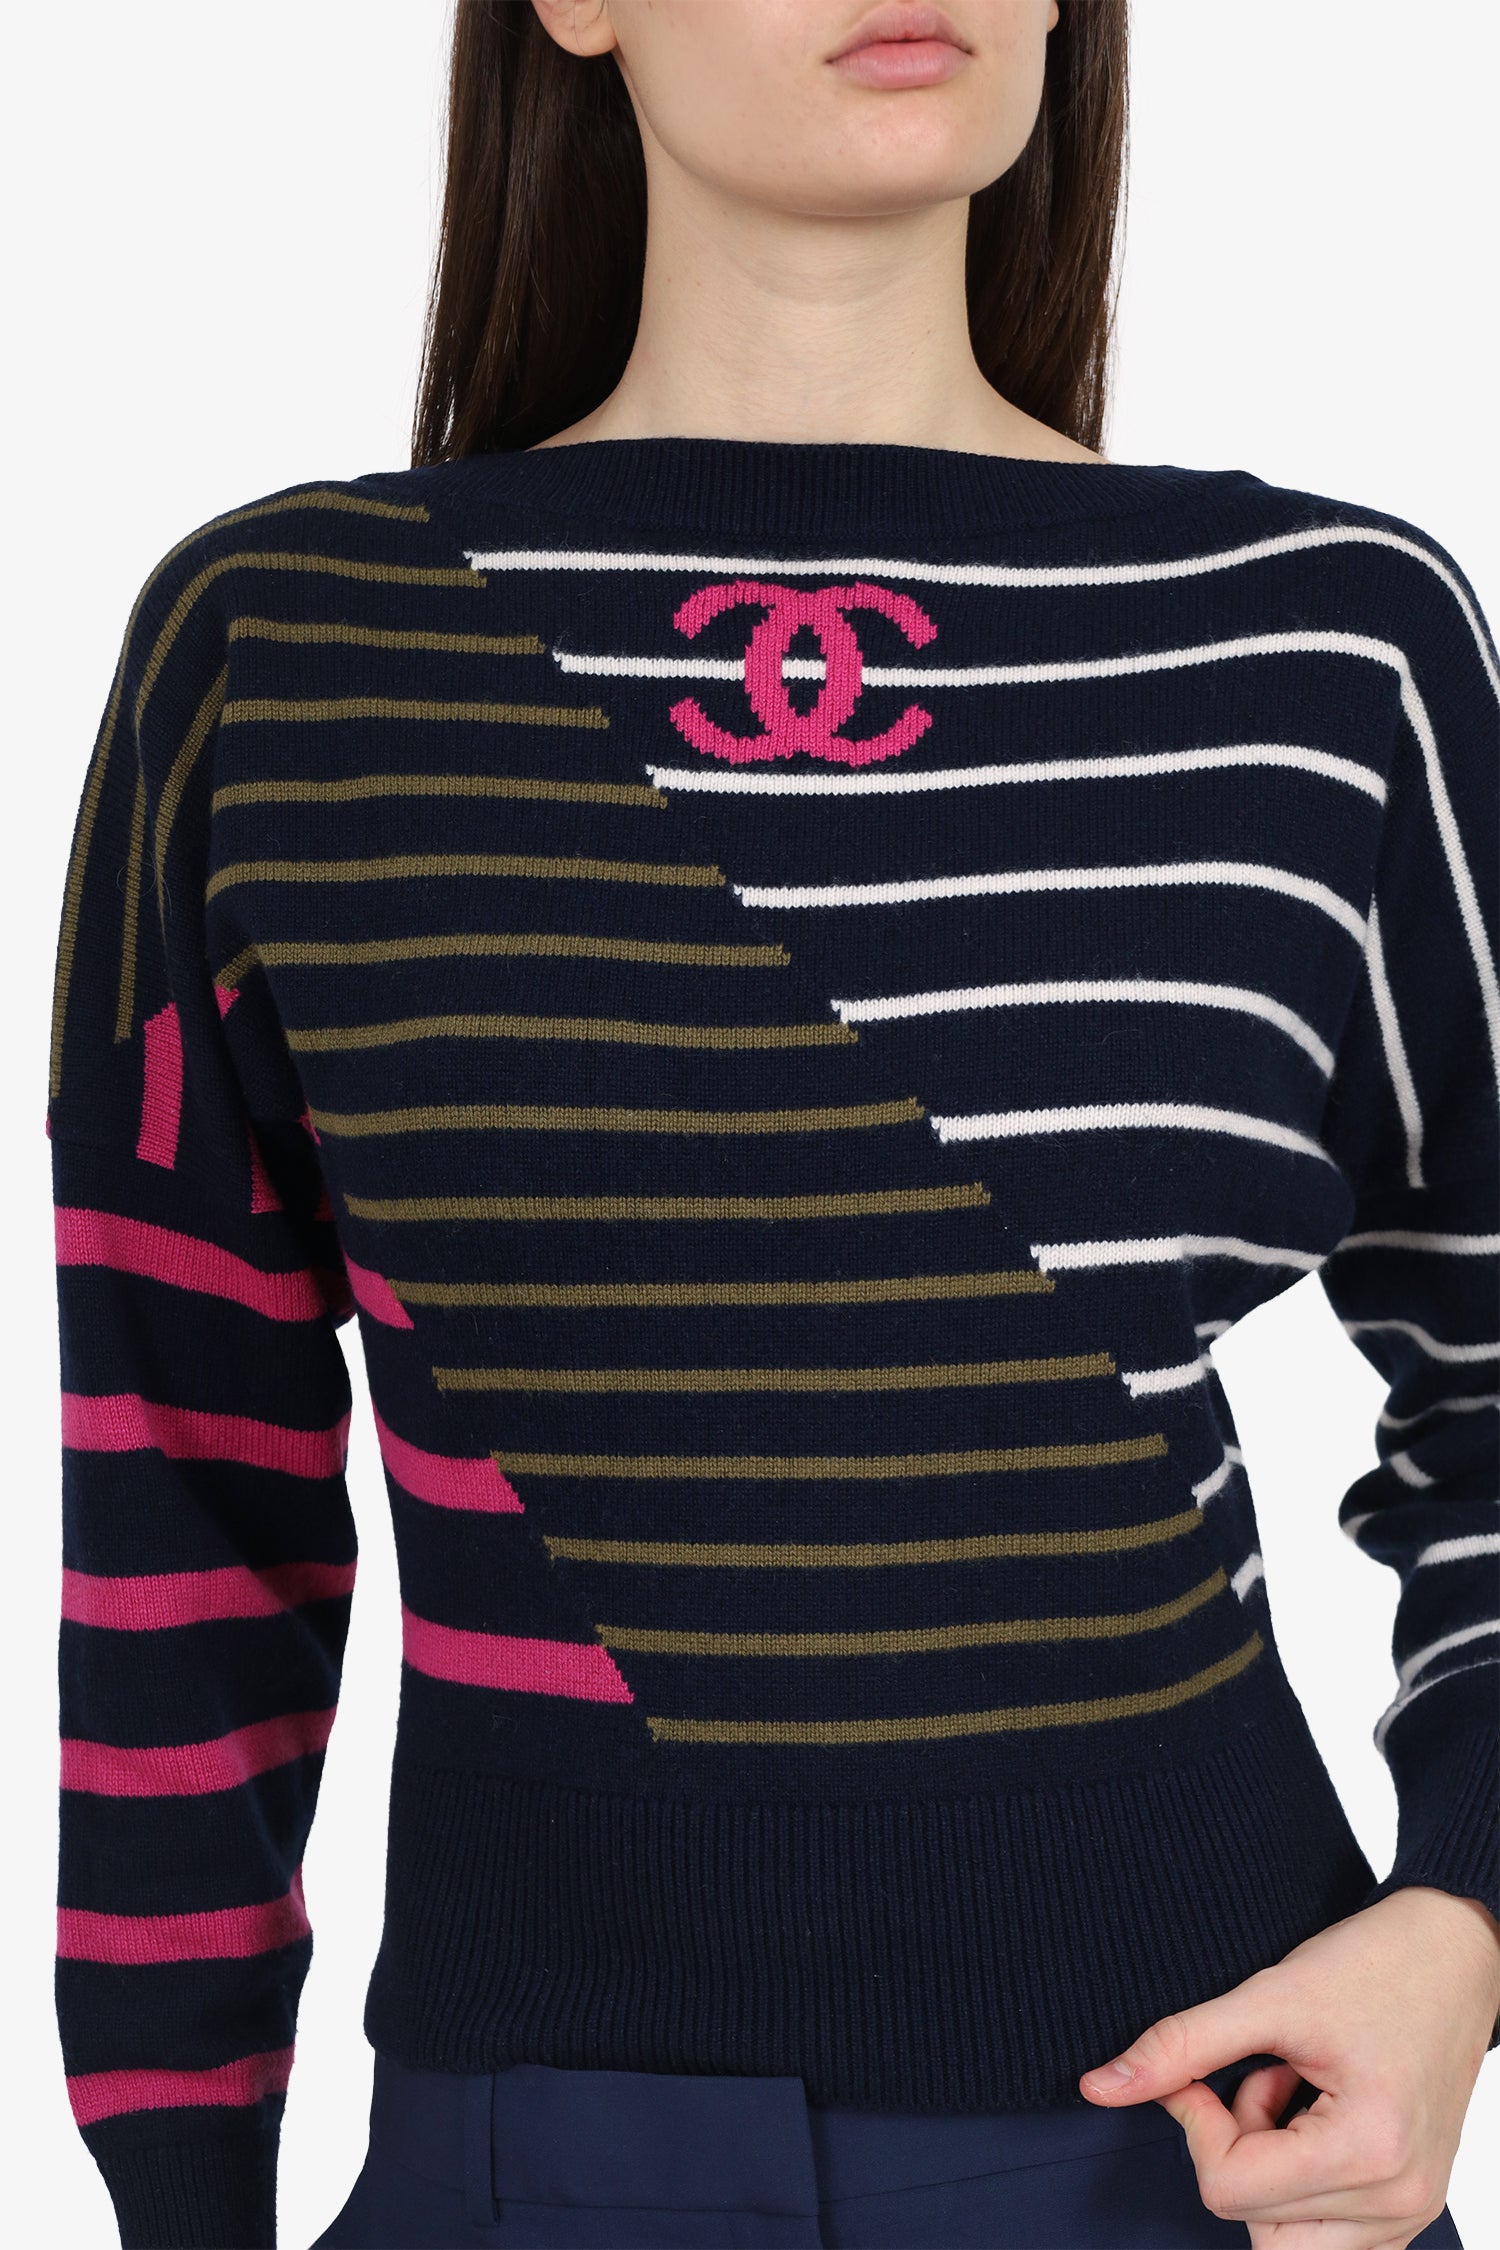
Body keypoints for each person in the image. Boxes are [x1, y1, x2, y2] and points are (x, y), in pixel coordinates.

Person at [46, 3, 1499, 2245]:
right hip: (532, 2165)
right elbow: (182, 1503)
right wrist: (176, 2192)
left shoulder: (1330, 648)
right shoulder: (289, 649)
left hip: (1219, 2145)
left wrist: (1465, 1919)